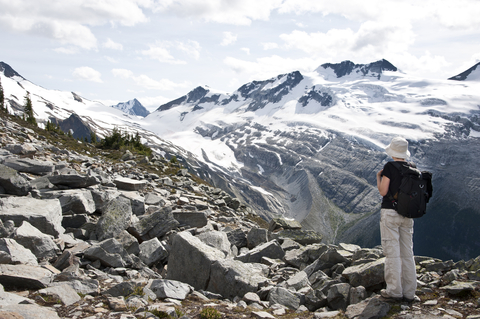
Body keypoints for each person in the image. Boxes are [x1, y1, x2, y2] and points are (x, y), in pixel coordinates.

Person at [376, 136, 417, 302]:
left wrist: (379, 177)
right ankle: (409, 292)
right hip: (407, 215)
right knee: (407, 253)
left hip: (390, 214)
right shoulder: (413, 167)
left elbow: (383, 191)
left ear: (393, 152)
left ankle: (394, 291)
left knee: (392, 253)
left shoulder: (389, 167)